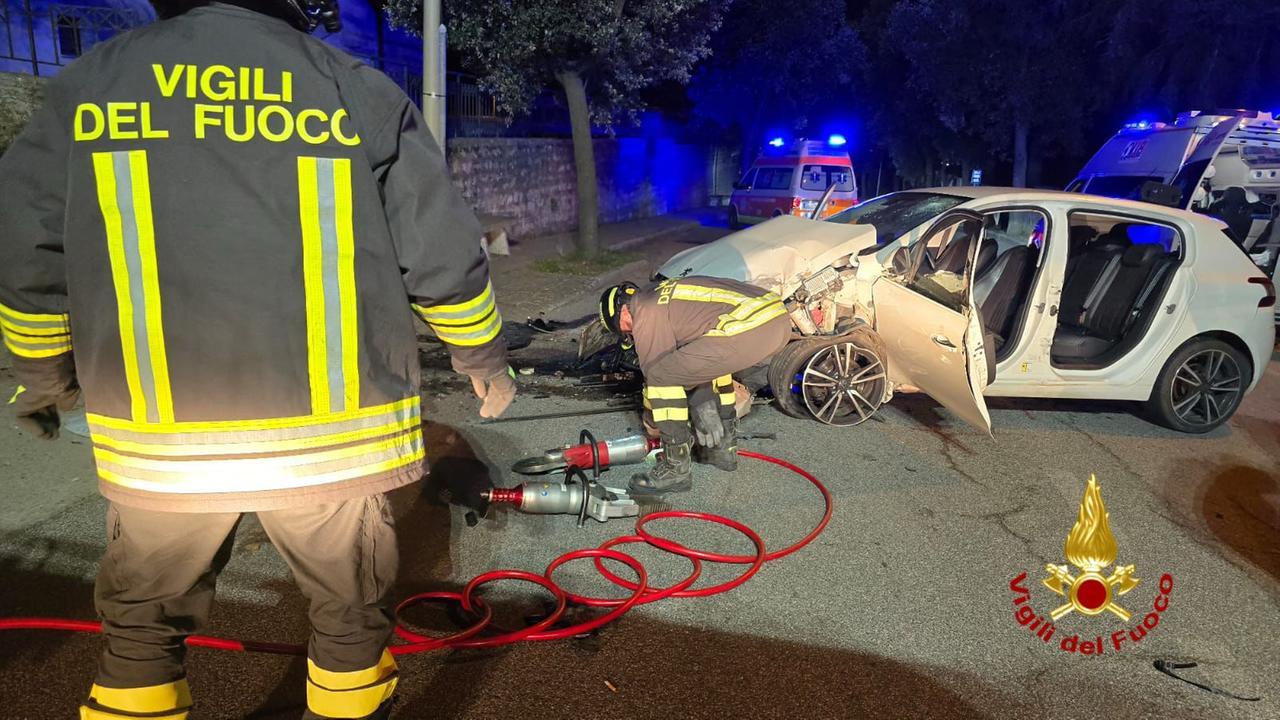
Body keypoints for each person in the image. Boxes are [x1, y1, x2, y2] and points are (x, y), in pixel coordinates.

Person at [0, 1, 516, 718]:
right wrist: (482, 355)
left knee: (141, 634)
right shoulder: (350, 85)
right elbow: (438, 250)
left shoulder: (92, 84)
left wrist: (43, 379)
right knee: (349, 625)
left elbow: (26, 252)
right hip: (329, 445)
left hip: (163, 447)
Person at [598, 277, 791, 494]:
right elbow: (692, 363)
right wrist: (702, 398)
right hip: (776, 319)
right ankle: (721, 449)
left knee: (661, 375)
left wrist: (653, 423)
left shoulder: (644, 311)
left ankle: (676, 469)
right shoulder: (660, 295)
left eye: (623, 330)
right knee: (707, 361)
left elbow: (655, 372)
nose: (629, 334)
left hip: (751, 326)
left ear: (623, 311)